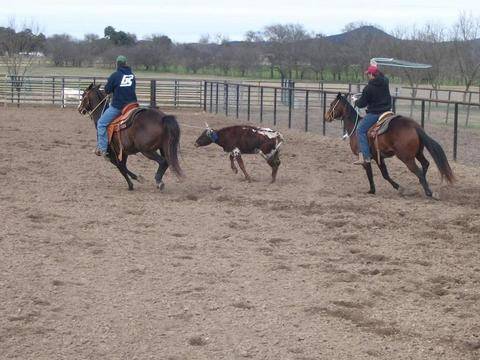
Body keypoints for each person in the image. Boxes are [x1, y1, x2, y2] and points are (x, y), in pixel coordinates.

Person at [94, 55, 137, 157]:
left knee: (101, 123)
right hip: (133, 105)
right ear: (126, 63)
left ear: (117, 64)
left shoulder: (115, 75)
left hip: (119, 106)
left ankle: (102, 148)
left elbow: (107, 90)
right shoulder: (132, 75)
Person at [353, 65, 392, 165]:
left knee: (360, 129)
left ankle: (365, 157)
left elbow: (362, 104)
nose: (368, 76)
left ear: (371, 74)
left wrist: (355, 101)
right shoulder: (385, 81)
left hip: (376, 113)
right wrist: (376, 67)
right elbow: (382, 75)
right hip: (387, 111)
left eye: (368, 74)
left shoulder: (368, 88)